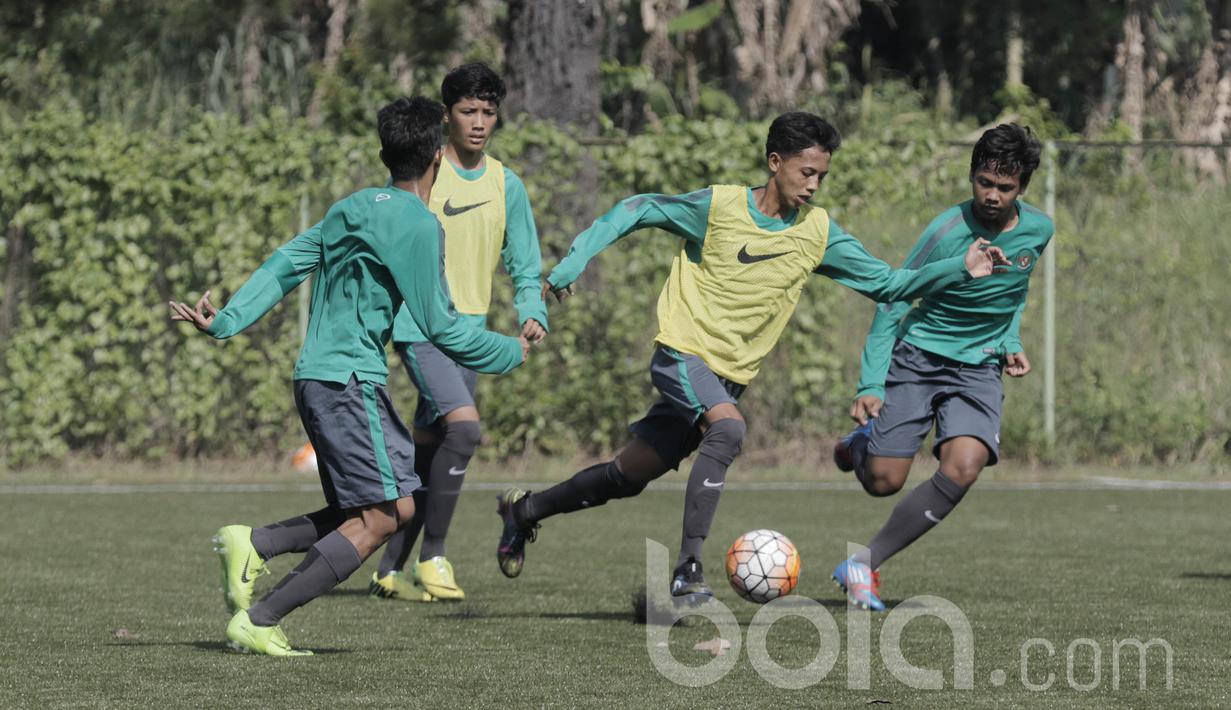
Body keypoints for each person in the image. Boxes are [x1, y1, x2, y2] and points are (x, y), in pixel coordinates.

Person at [493, 111, 1010, 600]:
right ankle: (688, 571)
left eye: (821, 176)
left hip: (727, 377)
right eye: (806, 171)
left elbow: (890, 284)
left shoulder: (816, 231)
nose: (812, 184)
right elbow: (640, 207)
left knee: (628, 475)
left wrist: (960, 268)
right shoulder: (718, 208)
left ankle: (524, 511)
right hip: (681, 353)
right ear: (774, 163)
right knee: (730, 429)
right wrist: (571, 264)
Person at [169, 96, 528, 655]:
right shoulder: (418, 224)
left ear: (386, 153)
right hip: (349, 384)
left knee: (383, 507)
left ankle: (254, 543)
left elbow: (287, 261)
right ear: (438, 155)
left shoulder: (351, 207)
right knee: (384, 517)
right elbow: (443, 327)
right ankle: (261, 619)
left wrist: (228, 320)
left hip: (318, 379)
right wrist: (509, 352)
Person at [830, 123, 1052, 611]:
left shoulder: (1040, 230)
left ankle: (864, 563)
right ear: (972, 176)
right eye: (984, 183)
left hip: (977, 368)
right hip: (919, 359)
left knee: (965, 466)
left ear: (1023, 188)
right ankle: (862, 446)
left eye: (1005, 187)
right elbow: (892, 301)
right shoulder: (946, 231)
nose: (992, 196)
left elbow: (1015, 291)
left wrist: (1010, 338)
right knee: (883, 482)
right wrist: (870, 382)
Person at [371, 63, 547, 604]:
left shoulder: (504, 183)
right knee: (466, 431)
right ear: (446, 116)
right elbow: (389, 237)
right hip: (419, 326)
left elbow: (524, 259)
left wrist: (531, 306)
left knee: (432, 448)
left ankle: (390, 568)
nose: (478, 123)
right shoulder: (424, 172)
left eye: (488, 113)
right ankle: (434, 556)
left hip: (469, 333)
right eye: (468, 111)